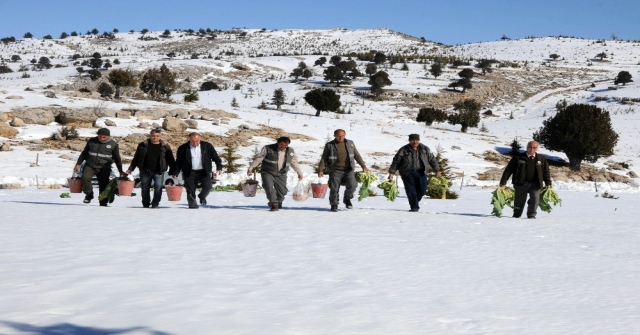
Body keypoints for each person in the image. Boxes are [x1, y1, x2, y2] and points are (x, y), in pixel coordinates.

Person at [318, 129, 369, 212]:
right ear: (335, 136)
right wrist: (320, 169)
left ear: (345, 135)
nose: (341, 138)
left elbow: (357, 155)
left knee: (353, 185)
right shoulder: (329, 145)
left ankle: (347, 199)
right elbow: (324, 158)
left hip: (349, 170)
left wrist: (364, 166)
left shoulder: (350, 143)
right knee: (334, 188)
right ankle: (334, 205)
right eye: (338, 136)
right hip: (335, 170)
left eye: (342, 135)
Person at [247, 137, 304, 211]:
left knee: (282, 191)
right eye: (281, 145)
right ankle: (274, 204)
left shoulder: (290, 151)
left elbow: (294, 163)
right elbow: (259, 158)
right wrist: (251, 167)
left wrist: (299, 173)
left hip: (281, 174)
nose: (283, 147)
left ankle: (278, 202)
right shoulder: (268, 148)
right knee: (269, 187)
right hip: (268, 172)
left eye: (285, 145)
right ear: (277, 143)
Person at [499, 140, 552, 219]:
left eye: (534, 147)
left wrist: (548, 183)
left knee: (535, 199)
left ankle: (531, 215)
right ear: (527, 147)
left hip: (535, 184)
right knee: (519, 201)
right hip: (521, 183)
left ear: (537, 148)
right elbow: (508, 170)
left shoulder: (541, 159)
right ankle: (516, 215)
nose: (532, 149)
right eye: (530, 147)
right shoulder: (518, 157)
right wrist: (503, 182)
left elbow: (546, 172)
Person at [388, 134, 441, 212]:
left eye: (416, 140)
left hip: (421, 173)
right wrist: (392, 172)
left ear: (419, 141)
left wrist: (437, 170)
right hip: (407, 173)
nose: (415, 142)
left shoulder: (425, 149)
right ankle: (414, 207)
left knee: (422, 190)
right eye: (412, 140)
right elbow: (396, 162)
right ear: (409, 141)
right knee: (411, 191)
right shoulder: (403, 150)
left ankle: (414, 201)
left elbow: (432, 160)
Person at [125, 128, 176, 208]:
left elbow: (171, 160)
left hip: (159, 171)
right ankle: (146, 203)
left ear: (160, 136)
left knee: (158, 187)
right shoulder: (143, 145)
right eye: (153, 135)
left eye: (157, 136)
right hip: (145, 170)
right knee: (145, 188)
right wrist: (131, 169)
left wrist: (173, 171)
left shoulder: (165, 146)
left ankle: (155, 203)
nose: (155, 137)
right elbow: (136, 158)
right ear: (150, 135)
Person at [74, 128, 124, 207]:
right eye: (100, 136)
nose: (101, 138)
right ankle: (89, 194)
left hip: (103, 168)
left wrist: (120, 170)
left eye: (104, 137)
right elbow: (84, 153)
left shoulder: (113, 144)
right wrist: (78, 164)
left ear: (108, 136)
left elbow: (117, 159)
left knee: (103, 185)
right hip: (90, 165)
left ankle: (103, 202)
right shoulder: (92, 141)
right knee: (85, 178)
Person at [173, 132, 223, 209]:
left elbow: (215, 157)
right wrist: (175, 172)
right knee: (190, 190)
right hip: (190, 172)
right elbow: (178, 161)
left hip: (204, 171)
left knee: (208, 186)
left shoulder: (207, 146)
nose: (195, 143)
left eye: (197, 141)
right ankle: (193, 206)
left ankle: (202, 196)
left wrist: (219, 166)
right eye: (193, 141)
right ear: (189, 139)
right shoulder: (183, 148)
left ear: (200, 139)